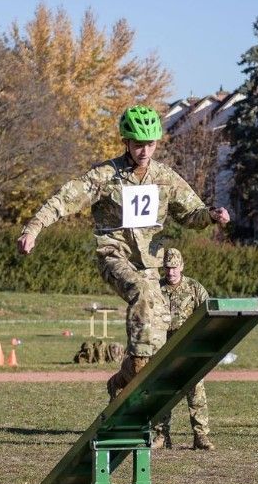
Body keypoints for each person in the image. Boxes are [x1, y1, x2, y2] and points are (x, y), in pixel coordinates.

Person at [17, 105, 229, 397]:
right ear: (126, 142)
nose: (144, 151)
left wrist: (211, 216)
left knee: (158, 345)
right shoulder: (106, 175)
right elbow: (64, 199)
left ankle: (123, 381)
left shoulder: (165, 177)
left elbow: (191, 213)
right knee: (141, 292)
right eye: (139, 144)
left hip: (150, 265)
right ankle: (137, 367)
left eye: (150, 144)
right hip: (114, 256)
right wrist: (33, 228)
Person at [153, 248, 214, 450]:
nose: (171, 272)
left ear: (182, 266)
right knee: (162, 392)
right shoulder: (155, 288)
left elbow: (209, 314)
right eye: (167, 268)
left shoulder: (195, 288)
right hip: (163, 349)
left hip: (189, 349)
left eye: (174, 268)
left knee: (195, 391)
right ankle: (162, 436)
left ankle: (201, 437)